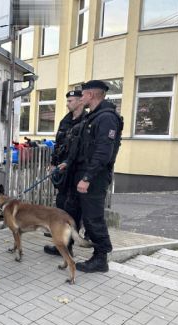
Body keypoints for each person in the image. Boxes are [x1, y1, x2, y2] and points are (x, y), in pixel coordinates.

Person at [65, 80, 123, 273]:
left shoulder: (106, 118)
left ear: (90, 95)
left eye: (83, 95)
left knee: (92, 218)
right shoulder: (93, 117)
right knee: (71, 212)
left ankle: (100, 258)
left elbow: (103, 153)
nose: (81, 98)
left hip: (93, 178)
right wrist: (68, 163)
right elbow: (82, 147)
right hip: (81, 174)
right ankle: (66, 247)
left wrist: (87, 178)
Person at [44, 90, 87, 256]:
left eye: (70, 101)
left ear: (80, 102)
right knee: (61, 206)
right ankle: (60, 244)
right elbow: (58, 144)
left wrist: (69, 163)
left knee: (73, 209)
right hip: (63, 174)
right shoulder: (66, 120)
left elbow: (84, 150)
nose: (67, 104)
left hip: (76, 172)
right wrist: (53, 163)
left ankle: (68, 247)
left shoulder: (87, 121)